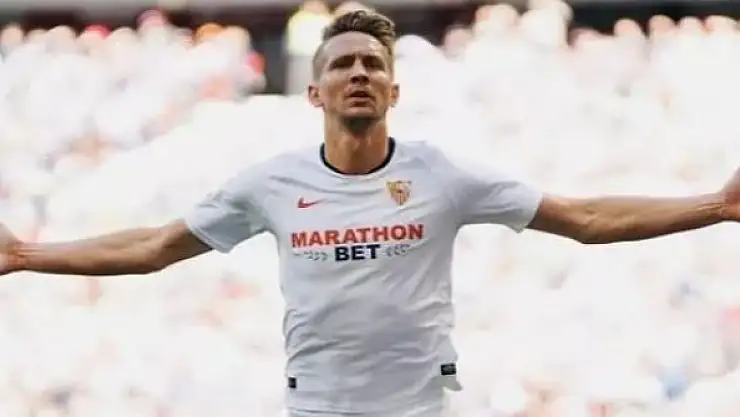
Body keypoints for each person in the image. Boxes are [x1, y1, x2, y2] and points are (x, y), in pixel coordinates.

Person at [1, 10, 739, 417]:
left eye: (373, 65)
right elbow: (155, 247)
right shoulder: (270, 184)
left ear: (393, 91)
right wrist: (28, 255)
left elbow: (584, 218)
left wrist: (715, 204)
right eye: (343, 65)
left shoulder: (442, 175)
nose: (359, 72)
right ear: (314, 92)